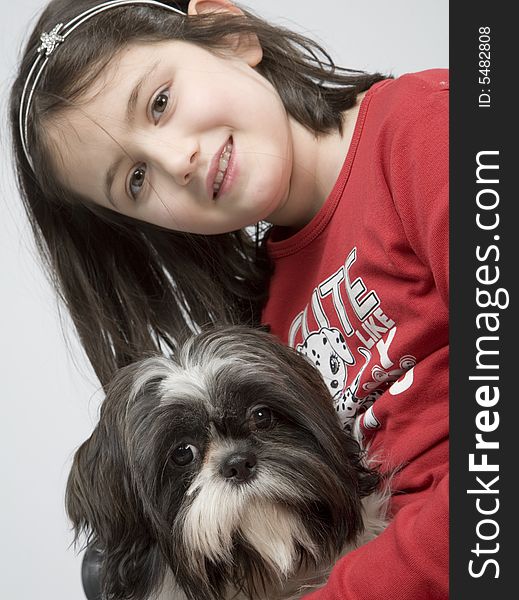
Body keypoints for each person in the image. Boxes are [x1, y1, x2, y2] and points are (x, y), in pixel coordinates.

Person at [9, 0, 448, 599]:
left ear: (230, 31)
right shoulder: (264, 309)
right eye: (136, 179)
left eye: (159, 102)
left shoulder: (432, 132)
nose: (174, 161)